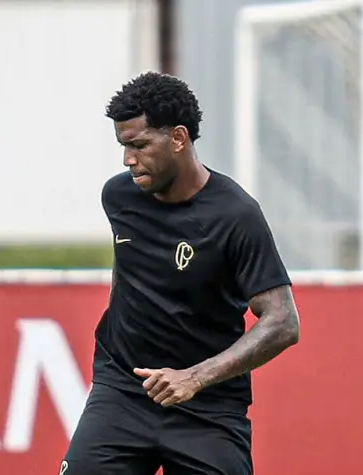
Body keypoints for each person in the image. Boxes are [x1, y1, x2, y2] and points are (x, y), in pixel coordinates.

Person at [60, 71, 301, 475]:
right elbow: (130, 270)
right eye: (123, 146)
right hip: (122, 393)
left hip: (207, 408)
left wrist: (194, 377)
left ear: (177, 138)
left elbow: (282, 322)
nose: (128, 160)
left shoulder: (236, 215)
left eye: (138, 145)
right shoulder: (118, 196)